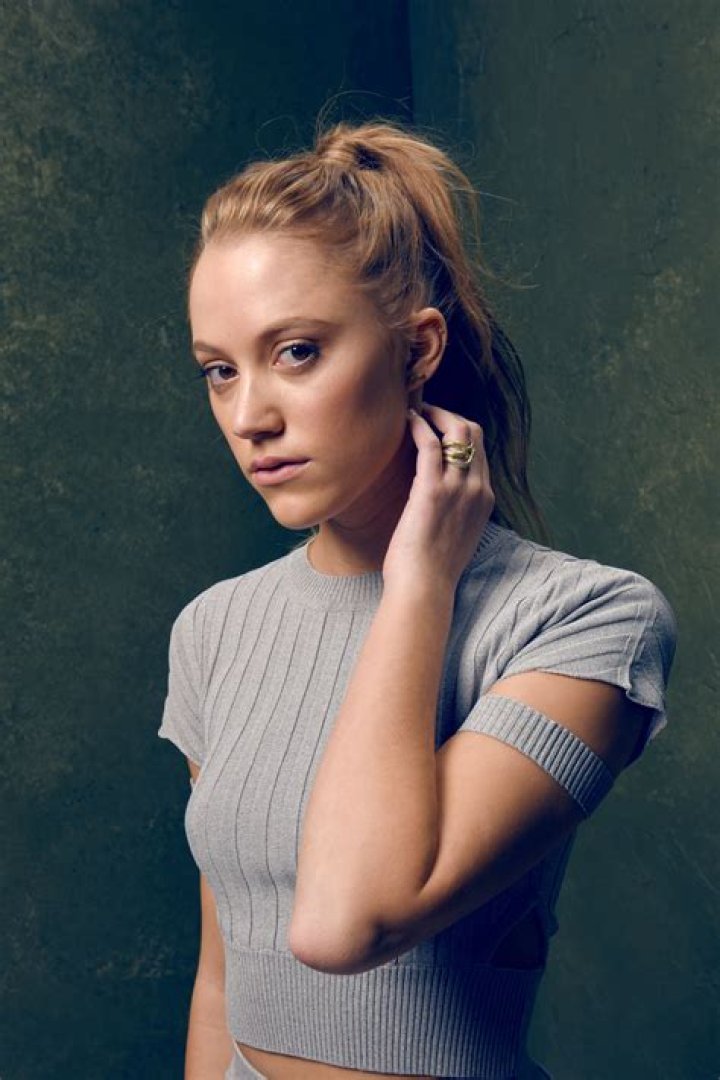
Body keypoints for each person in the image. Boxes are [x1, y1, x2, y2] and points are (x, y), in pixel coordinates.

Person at [158, 115, 678, 1080]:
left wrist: (420, 585)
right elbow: (221, 980)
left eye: (297, 351)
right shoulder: (215, 630)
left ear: (417, 348)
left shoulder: (585, 621)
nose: (249, 416)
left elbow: (345, 922)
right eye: (219, 371)